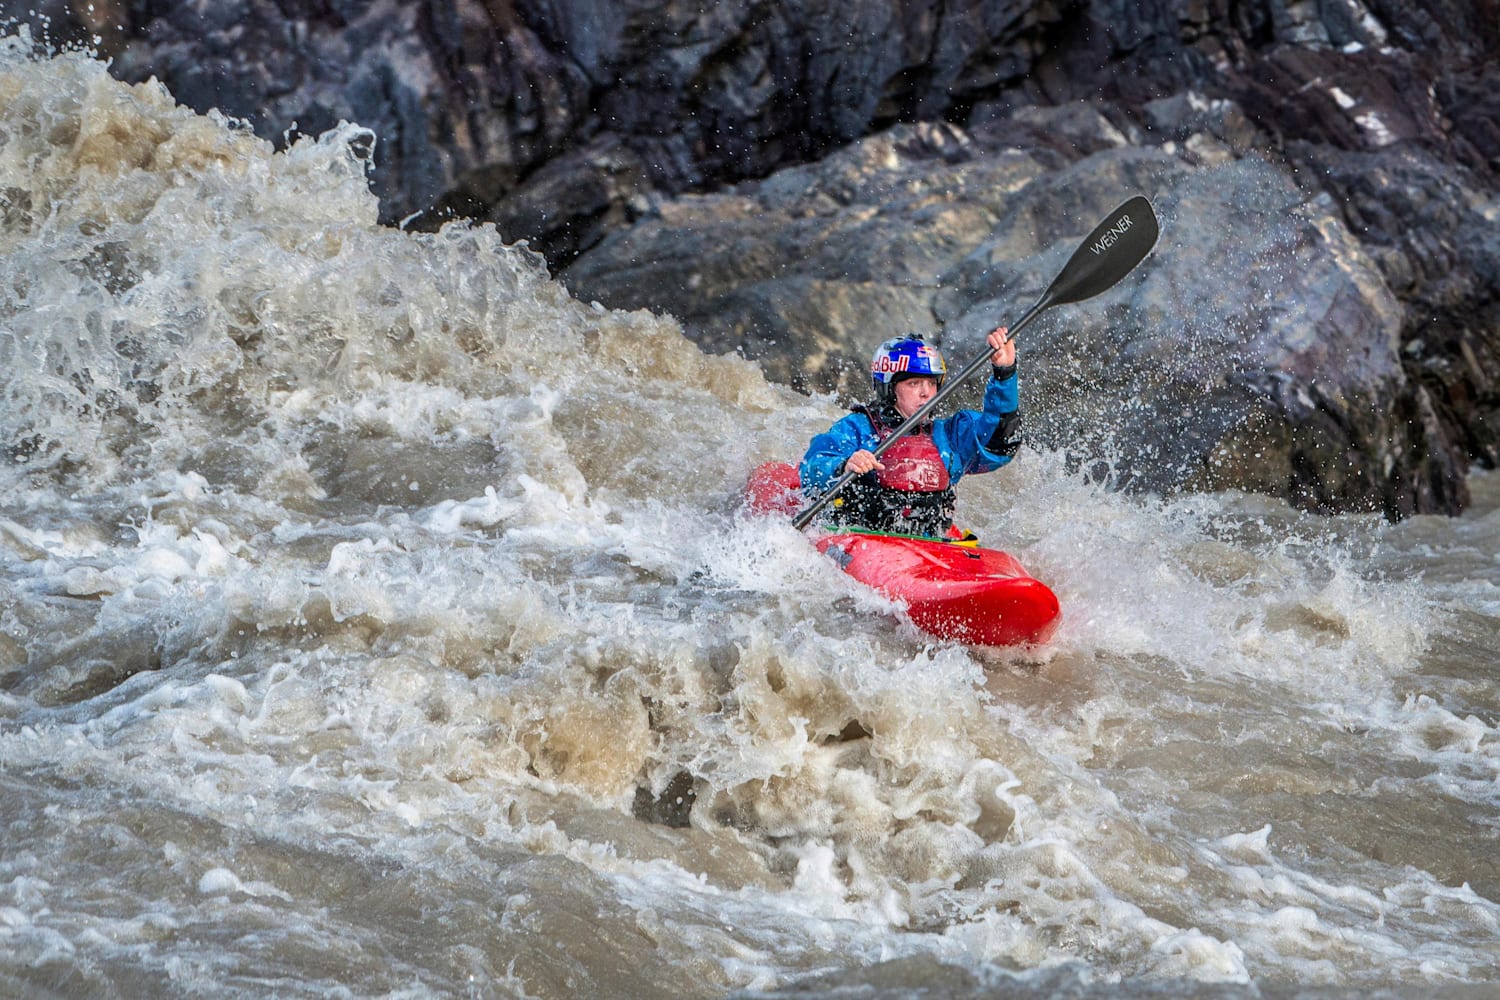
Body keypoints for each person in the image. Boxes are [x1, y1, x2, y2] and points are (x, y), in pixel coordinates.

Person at [798, 328, 1020, 538]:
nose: (925, 393)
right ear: (889, 388)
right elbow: (811, 469)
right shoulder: (857, 429)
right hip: (864, 538)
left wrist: (1004, 373)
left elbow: (999, 444)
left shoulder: (949, 436)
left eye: (931, 384)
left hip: (927, 546)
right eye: (914, 383)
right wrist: (844, 464)